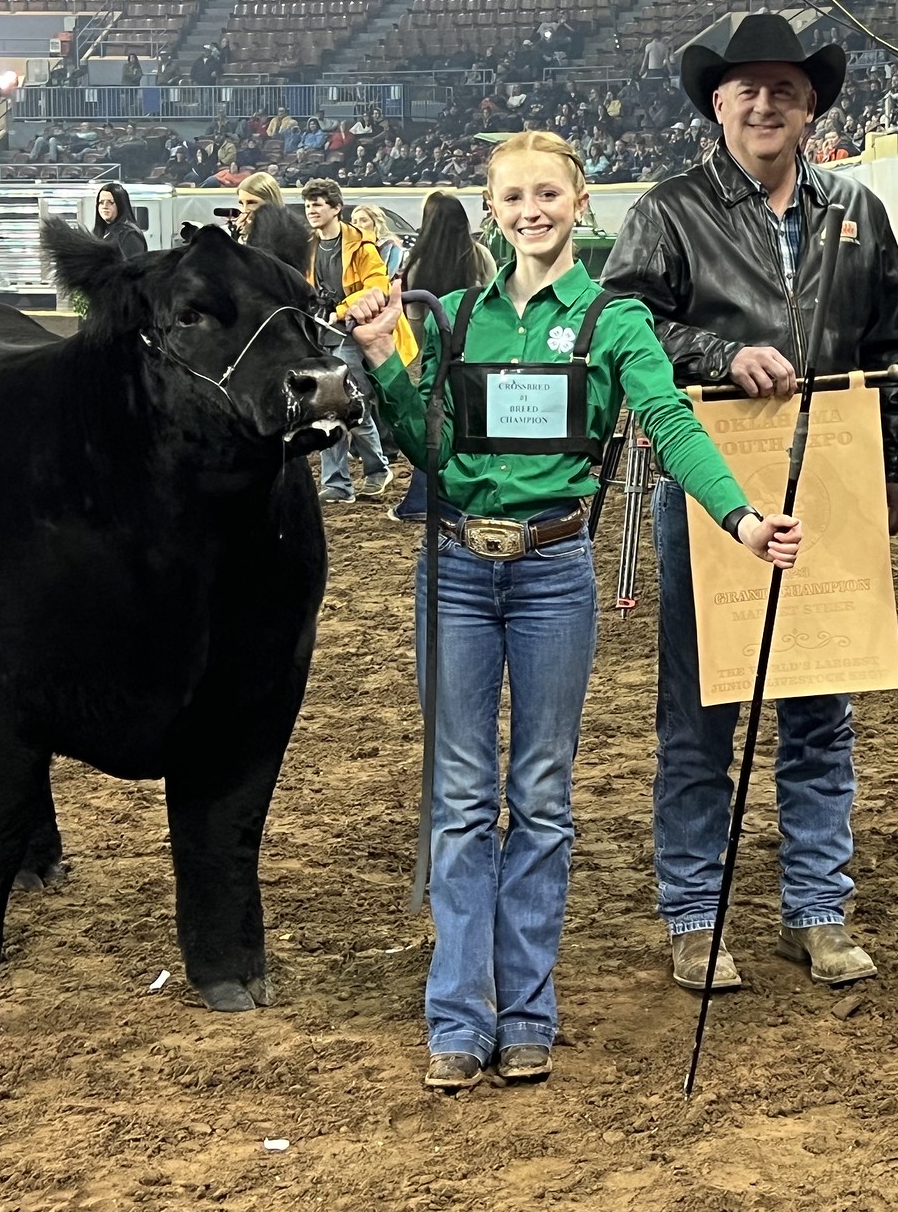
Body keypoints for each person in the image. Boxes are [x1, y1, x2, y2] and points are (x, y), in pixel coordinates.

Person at [346, 130, 803, 1092]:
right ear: (492, 212)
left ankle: (529, 1017)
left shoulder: (614, 320)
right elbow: (427, 445)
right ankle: (458, 1017)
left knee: (543, 800)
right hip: (459, 571)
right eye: (511, 197)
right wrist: (387, 360)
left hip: (556, 573)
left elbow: (672, 421)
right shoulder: (460, 315)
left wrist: (741, 518)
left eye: (547, 193)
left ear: (581, 202)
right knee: (463, 801)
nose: (530, 211)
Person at [603, 12, 898, 992]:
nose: (763, 101)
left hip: (831, 486)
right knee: (701, 712)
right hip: (710, 490)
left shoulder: (856, 212)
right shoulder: (666, 212)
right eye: (744, 86)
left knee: (820, 706)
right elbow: (623, 323)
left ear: (810, 103)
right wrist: (715, 354)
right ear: (715, 101)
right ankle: (694, 917)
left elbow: (895, 353)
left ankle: (816, 909)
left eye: (783, 86)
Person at [394, 192, 491, 523]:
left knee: (434, 430)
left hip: (435, 362)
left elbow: (415, 324)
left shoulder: (417, 264)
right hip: (478, 356)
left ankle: (421, 500)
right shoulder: (480, 256)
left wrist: (421, 361)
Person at [301, 181, 396, 503]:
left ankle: (377, 469)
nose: (312, 211)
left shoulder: (362, 248)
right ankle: (338, 483)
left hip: (352, 334)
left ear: (336, 208)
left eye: (318, 204)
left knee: (351, 407)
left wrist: (340, 311)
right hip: (319, 335)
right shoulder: (307, 248)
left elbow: (377, 287)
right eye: (308, 205)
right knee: (326, 409)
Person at [92, 184, 147, 258]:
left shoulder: (130, 235)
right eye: (101, 202)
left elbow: (132, 267)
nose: (105, 206)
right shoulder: (99, 232)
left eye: (110, 202)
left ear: (120, 204)